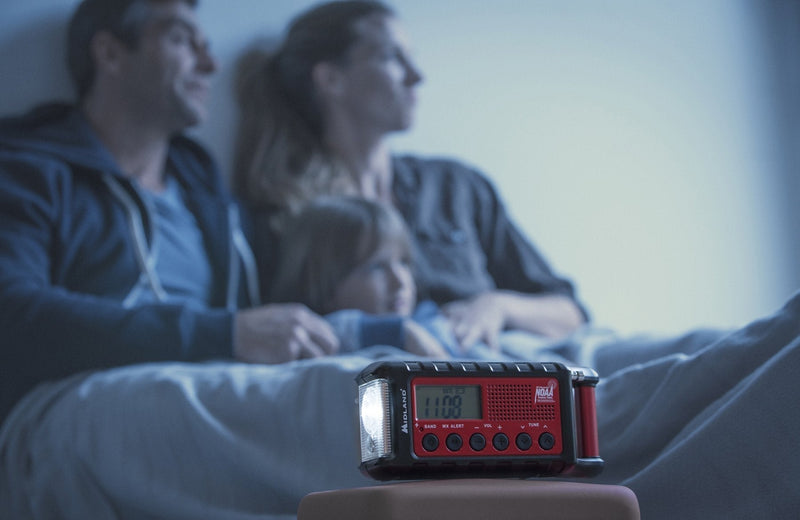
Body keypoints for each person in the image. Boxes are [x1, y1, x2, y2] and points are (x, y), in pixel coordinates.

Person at [0, 0, 342, 426]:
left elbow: (277, 320)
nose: (211, 64)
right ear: (109, 53)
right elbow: (13, 313)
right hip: (70, 407)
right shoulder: (28, 172)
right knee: (342, 416)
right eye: (182, 39)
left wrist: (384, 330)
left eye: (208, 45)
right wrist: (223, 334)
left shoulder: (207, 194)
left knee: (374, 379)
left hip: (208, 389)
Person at [233, 0, 588, 352]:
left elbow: (570, 313)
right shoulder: (284, 209)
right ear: (331, 79)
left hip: (516, 360)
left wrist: (496, 306)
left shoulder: (457, 187)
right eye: (392, 57)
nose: (417, 76)